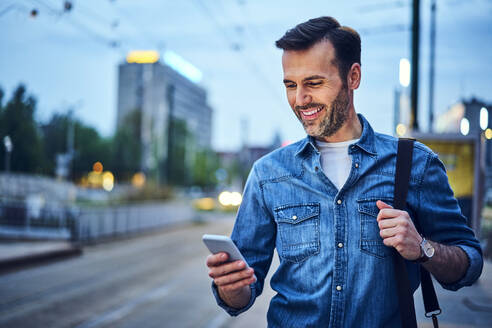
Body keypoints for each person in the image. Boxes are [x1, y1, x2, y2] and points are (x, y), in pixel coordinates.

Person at [206, 16, 483, 327]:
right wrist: (232, 288)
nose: (300, 99)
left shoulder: (415, 164)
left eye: (313, 83)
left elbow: (469, 265)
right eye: (290, 85)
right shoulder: (268, 174)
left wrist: (422, 248)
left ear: (353, 77)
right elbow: (242, 295)